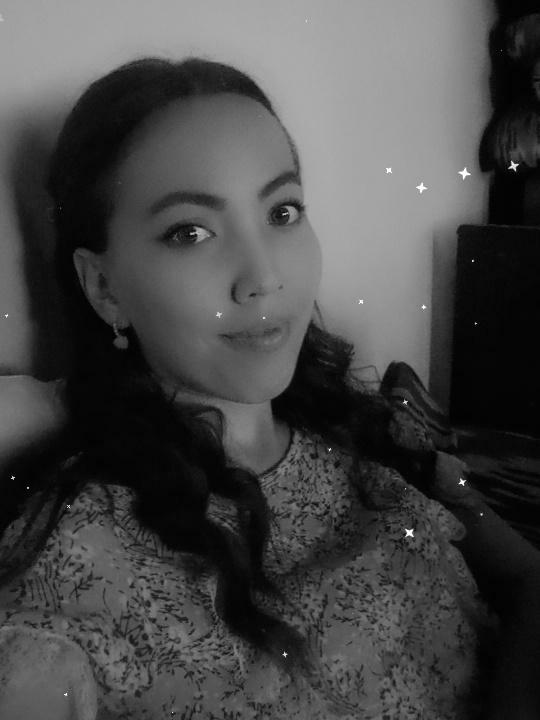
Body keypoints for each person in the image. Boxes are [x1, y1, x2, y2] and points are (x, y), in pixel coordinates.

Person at [0, 54, 529, 720]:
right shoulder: (74, 561)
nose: (264, 277)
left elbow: (526, 576)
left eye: (282, 212)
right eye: (191, 232)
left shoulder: (368, 430)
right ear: (104, 287)